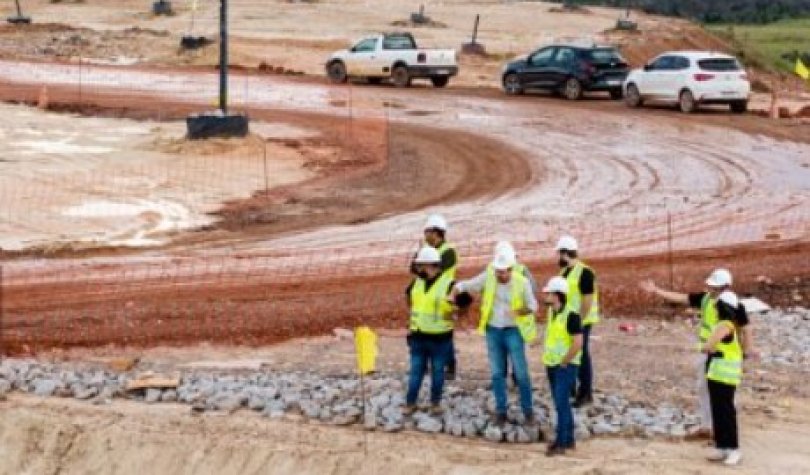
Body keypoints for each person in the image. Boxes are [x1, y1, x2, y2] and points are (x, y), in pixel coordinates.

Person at [640, 268, 755, 440]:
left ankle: (722, 431)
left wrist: (747, 350)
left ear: (726, 287)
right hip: (707, 353)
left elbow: (746, 328)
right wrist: (656, 291)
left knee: (724, 395)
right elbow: (683, 298)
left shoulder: (732, 305)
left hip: (724, 355)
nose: (712, 289)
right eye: (712, 286)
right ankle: (707, 427)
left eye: (716, 287)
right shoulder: (706, 299)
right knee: (704, 389)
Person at [450, 247, 538, 426]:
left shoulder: (522, 282)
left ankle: (528, 411)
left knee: (521, 373)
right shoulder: (489, 278)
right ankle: (501, 411)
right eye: (498, 271)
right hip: (493, 331)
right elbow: (468, 285)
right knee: (497, 373)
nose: (500, 275)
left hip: (514, 331)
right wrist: (455, 290)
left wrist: (518, 312)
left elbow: (533, 306)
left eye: (503, 272)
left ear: (511, 269)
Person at [404, 246, 467, 415]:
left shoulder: (449, 285)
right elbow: (409, 298)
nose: (419, 269)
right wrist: (412, 319)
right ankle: (410, 403)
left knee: (438, 372)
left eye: (421, 266)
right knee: (416, 371)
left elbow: (466, 302)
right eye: (418, 266)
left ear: (433, 266)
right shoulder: (416, 283)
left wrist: (456, 314)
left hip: (440, 338)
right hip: (418, 336)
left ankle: (435, 403)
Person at [411, 213, 461, 380]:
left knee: (445, 331)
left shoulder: (448, 251)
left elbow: (435, 270)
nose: (425, 235)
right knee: (422, 329)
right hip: (426, 292)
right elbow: (413, 268)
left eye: (427, 231)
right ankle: (424, 365)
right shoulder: (425, 250)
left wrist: (422, 264)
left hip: (444, 293)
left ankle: (449, 366)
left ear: (437, 232)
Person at [541, 276, 583, 456]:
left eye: (549, 293)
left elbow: (578, 342)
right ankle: (568, 440)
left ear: (557, 295)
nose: (546, 295)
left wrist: (565, 361)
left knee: (561, 403)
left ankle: (561, 443)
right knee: (562, 403)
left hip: (565, 366)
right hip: (553, 364)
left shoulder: (571, 315)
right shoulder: (553, 312)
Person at [555, 235, 599, 408]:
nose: (558, 257)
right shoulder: (564, 272)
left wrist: (579, 322)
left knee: (581, 355)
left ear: (565, 253)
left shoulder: (585, 273)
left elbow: (587, 300)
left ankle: (585, 393)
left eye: (559, 253)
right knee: (571, 353)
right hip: (568, 321)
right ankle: (572, 388)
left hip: (581, 321)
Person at [703, 291, 746, 466]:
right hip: (718, 374)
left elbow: (708, 345)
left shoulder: (725, 325)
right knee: (718, 411)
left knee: (725, 412)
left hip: (724, 376)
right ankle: (722, 447)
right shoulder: (731, 324)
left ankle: (733, 449)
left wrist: (708, 347)